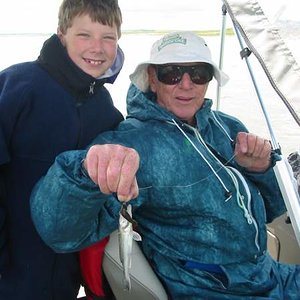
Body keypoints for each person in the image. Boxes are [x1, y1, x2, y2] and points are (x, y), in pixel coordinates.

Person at [30, 31, 300, 299]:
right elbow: (58, 232)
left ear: (209, 80)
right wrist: (86, 171)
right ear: (152, 79)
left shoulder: (228, 128)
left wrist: (261, 169)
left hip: (268, 274)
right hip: (211, 289)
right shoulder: (132, 144)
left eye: (198, 73)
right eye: (171, 73)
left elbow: (272, 211)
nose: (186, 84)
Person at [0, 0, 124, 299]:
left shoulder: (107, 112)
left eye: (108, 37)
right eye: (84, 35)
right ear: (61, 35)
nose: (97, 47)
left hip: (65, 281)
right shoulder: (16, 86)